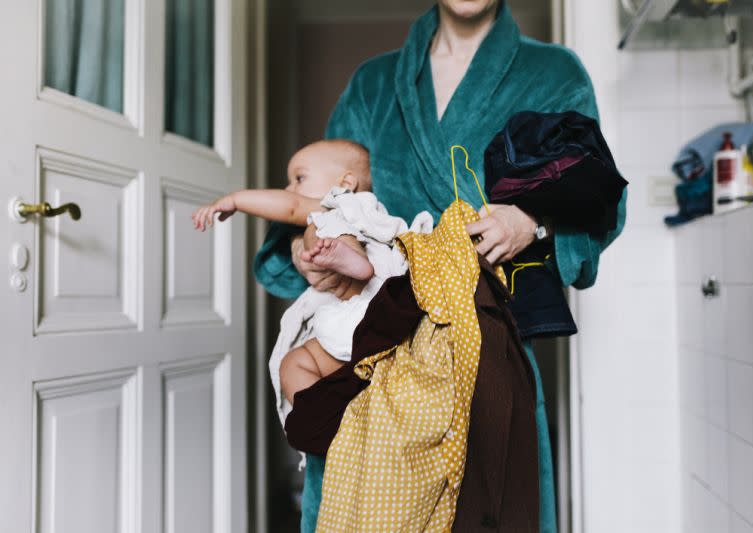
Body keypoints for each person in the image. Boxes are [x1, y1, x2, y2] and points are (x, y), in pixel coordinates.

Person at [254, 1, 627, 531]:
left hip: (484, 349)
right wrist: (304, 250)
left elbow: (600, 202)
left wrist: (532, 219)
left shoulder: (553, 74)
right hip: (367, 351)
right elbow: (319, 200)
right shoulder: (373, 84)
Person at [192, 139, 431, 412]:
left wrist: (235, 200)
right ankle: (323, 415)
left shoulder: (342, 204)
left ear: (346, 182)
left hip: (372, 285)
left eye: (299, 178)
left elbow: (291, 206)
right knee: (292, 363)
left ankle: (352, 257)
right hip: (357, 323)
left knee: (319, 226)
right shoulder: (369, 215)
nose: (290, 188)